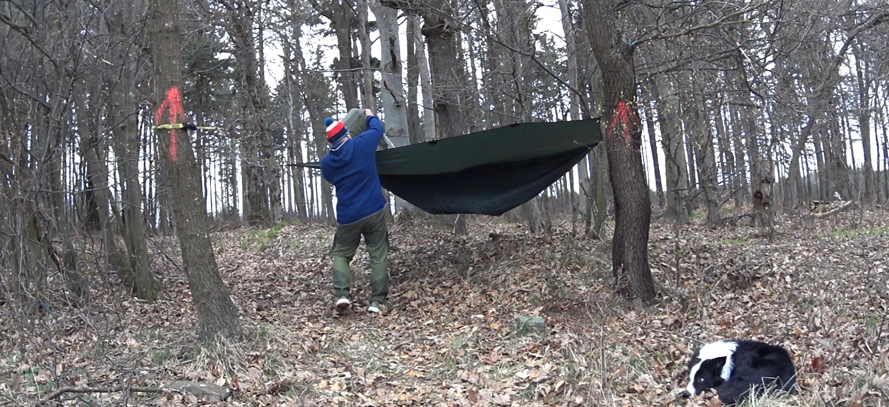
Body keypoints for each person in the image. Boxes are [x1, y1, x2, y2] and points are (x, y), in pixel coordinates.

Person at [320, 109, 389, 314]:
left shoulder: (327, 163)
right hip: (374, 211)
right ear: (348, 135)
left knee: (341, 254)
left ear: (330, 143)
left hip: (348, 217)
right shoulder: (362, 145)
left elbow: (331, 177)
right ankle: (377, 302)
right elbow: (378, 128)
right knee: (377, 255)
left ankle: (342, 294)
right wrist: (368, 115)